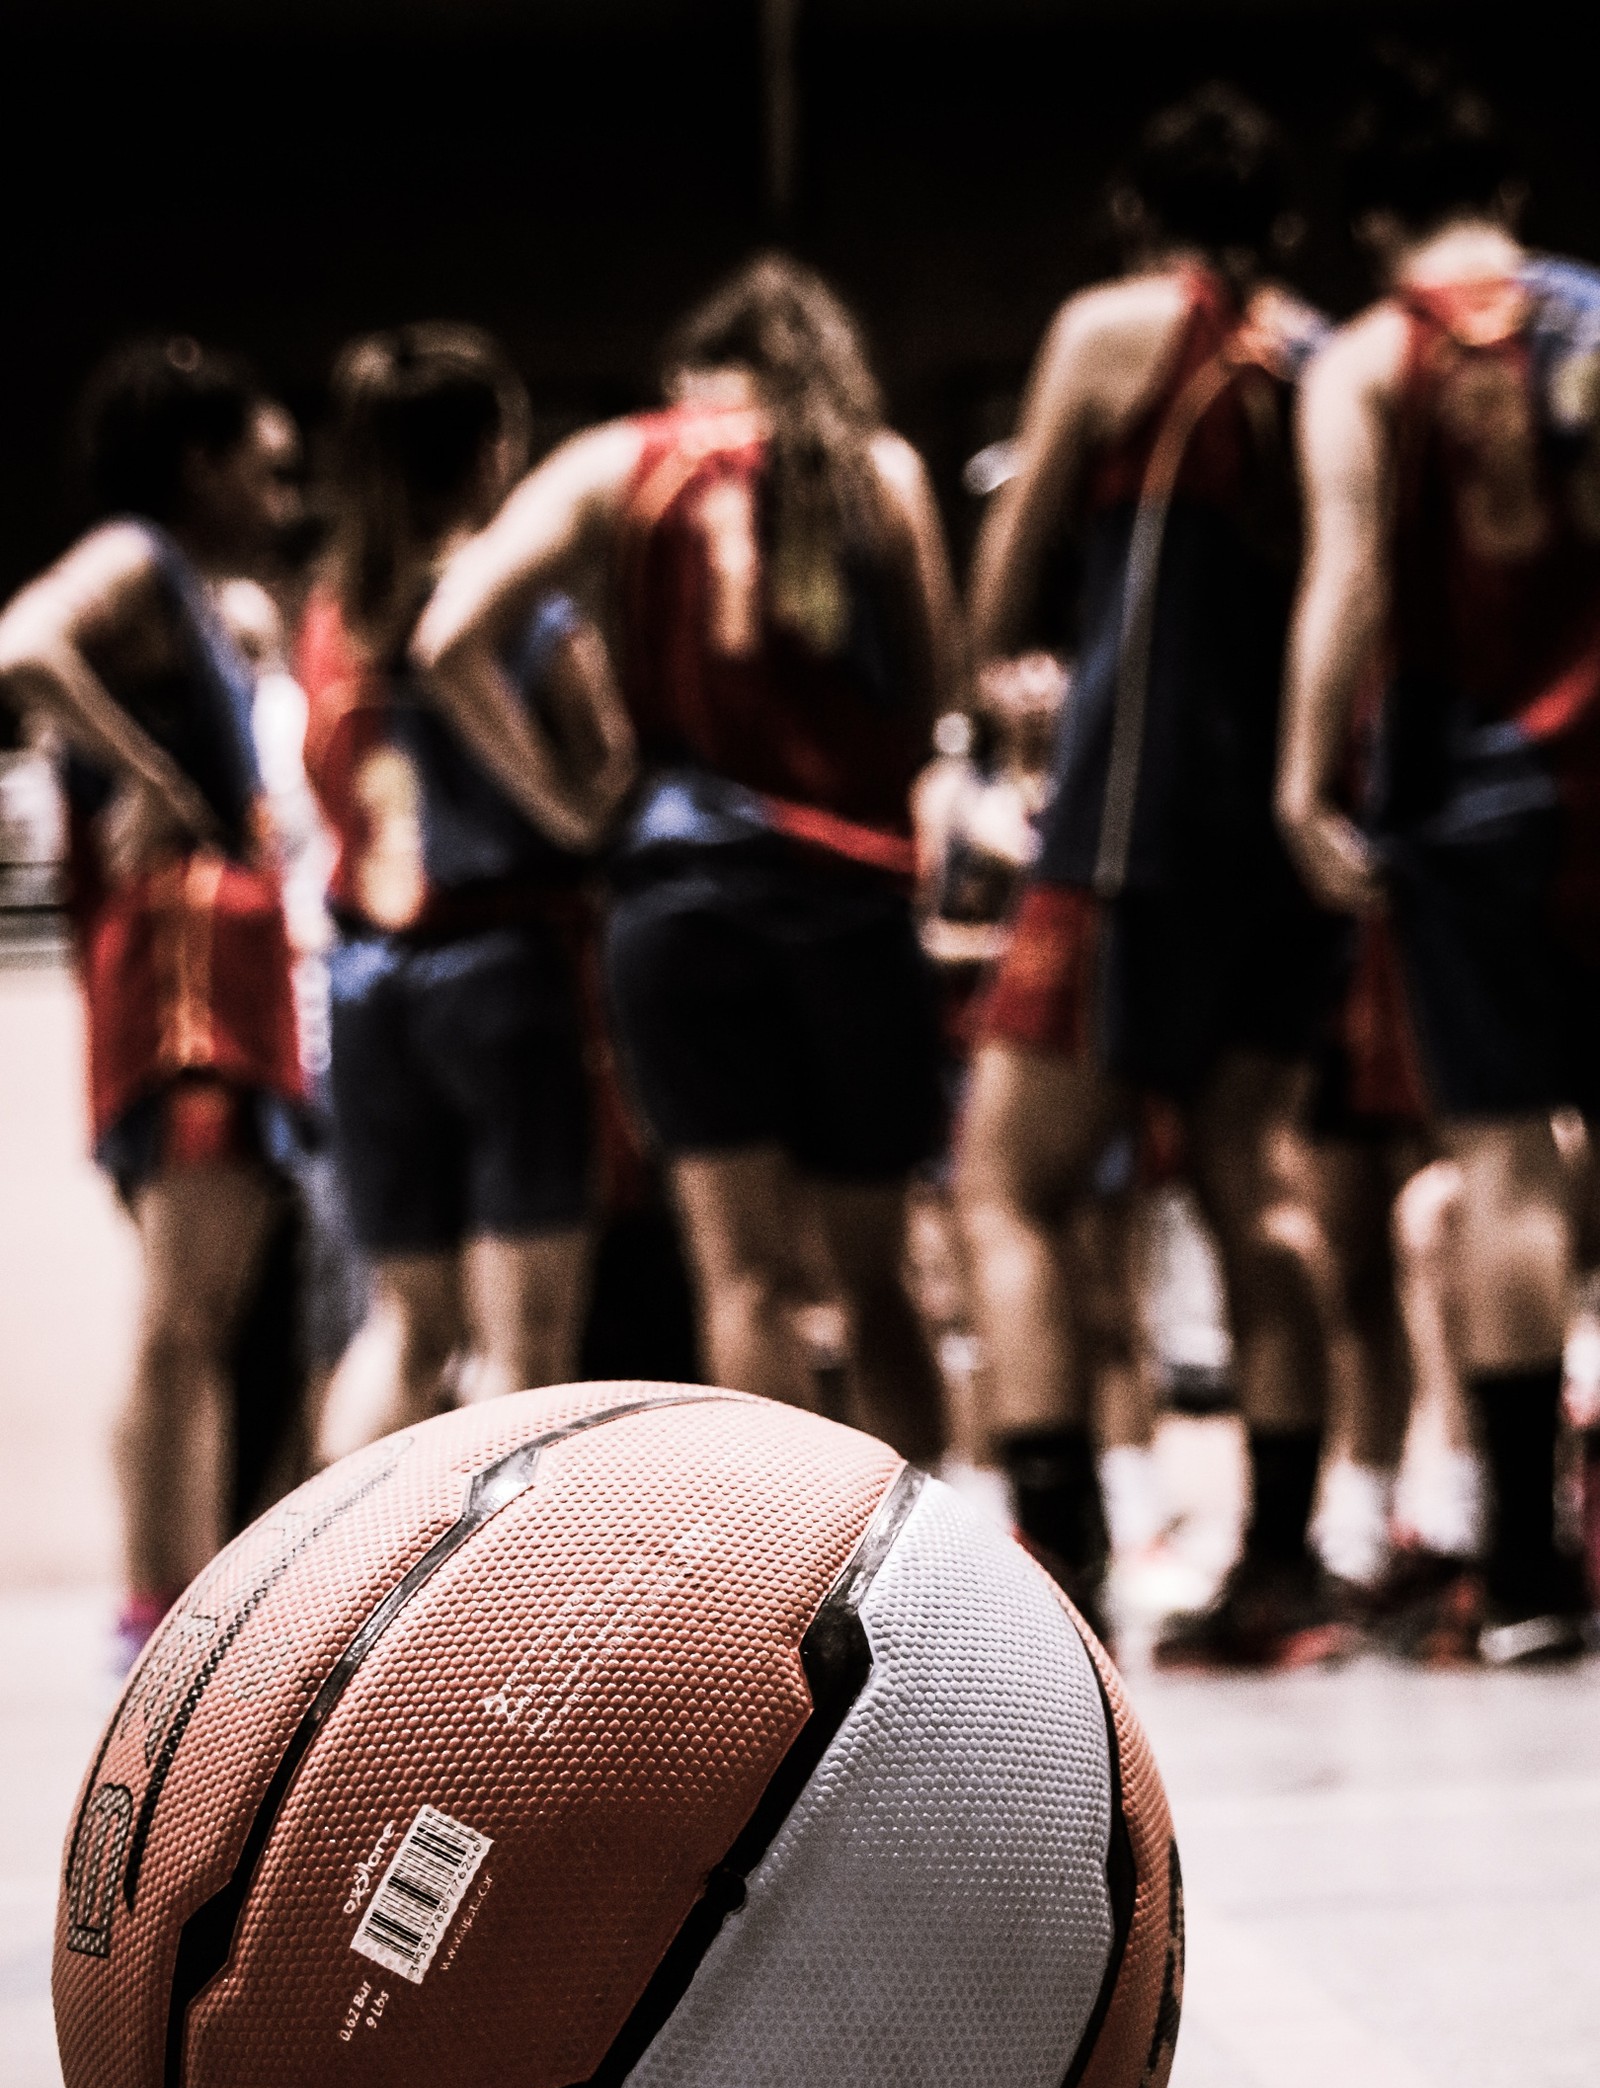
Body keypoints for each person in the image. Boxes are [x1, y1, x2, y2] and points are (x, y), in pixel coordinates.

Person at [412, 254, 958, 1463]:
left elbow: (449, 634)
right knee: (879, 1278)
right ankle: (937, 1578)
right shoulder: (881, 469)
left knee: (745, 1278)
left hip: (682, 901)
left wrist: (572, 813)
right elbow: (932, 704)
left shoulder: (619, 459)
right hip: (849, 898)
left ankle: (777, 1586)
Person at [957, 87, 1347, 1660]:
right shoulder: (1324, 354)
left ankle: (1062, 1577)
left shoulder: (1117, 328)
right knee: (1258, 1186)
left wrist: (1007, 669)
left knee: (1010, 1185)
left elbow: (1014, 558)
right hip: (1283, 833)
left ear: (1138, 215)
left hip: (1128, 831)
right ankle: (1282, 1565)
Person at [1278, 51, 1600, 1662]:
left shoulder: (1365, 358)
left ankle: (1531, 1574)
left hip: (1466, 800)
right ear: (1510, 198)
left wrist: (1296, 777)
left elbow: (1344, 577)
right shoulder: (1590, 317)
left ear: (1374, 224)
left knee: (1503, 1170)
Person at [0, 337, 305, 1666]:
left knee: (210, 1309)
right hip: (187, 968)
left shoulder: (190, 587)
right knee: (188, 1312)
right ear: (201, 462)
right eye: (264, 464)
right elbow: (20, 647)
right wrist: (153, 779)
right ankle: (159, 1614)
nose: (280, 493)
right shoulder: (135, 558)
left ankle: (174, 1603)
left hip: (204, 966)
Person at [297, 325, 632, 1456]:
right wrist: (577, 821)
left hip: (365, 973)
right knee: (527, 1349)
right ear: (495, 450)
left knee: (404, 1327)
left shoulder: (333, 614)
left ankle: (339, 1603)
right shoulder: (517, 609)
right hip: (504, 969)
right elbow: (607, 776)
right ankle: (503, 1623)